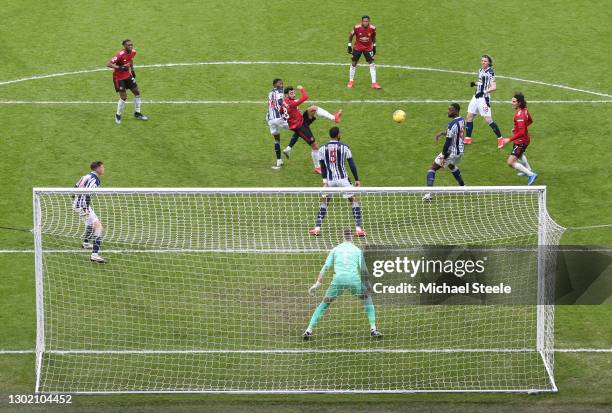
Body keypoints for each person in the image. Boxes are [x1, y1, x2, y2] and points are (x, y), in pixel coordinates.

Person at [303, 228, 382, 340]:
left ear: (343, 237)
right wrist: (369, 286)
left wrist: (318, 283)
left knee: (324, 303)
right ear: (352, 237)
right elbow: (364, 271)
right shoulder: (357, 250)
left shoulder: (335, 249)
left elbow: (325, 267)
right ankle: (373, 329)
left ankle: (308, 330)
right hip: (353, 281)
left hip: (338, 281)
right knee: (367, 298)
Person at [309, 127, 366, 236]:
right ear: (338, 135)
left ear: (330, 135)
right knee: (353, 200)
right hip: (343, 180)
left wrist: (325, 182)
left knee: (324, 201)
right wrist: (357, 179)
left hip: (330, 181)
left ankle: (317, 228)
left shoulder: (322, 149)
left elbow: (322, 167)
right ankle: (358, 229)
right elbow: (351, 164)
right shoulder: (345, 147)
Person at [281, 86, 342, 174]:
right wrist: (301, 89)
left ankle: (334, 118)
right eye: (291, 93)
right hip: (300, 127)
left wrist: (288, 116)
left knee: (313, 108)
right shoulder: (291, 104)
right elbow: (305, 97)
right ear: (286, 95)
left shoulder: (284, 101)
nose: (294, 94)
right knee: (314, 146)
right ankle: (317, 167)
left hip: (300, 120)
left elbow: (280, 111)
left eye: (294, 92)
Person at [424, 103, 466, 200]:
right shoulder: (462, 120)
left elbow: (448, 143)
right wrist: (443, 133)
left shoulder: (451, 124)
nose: (448, 111)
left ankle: (428, 194)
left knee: (432, 168)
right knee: (451, 165)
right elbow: (456, 133)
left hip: (451, 152)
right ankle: (463, 187)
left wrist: (443, 155)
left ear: (456, 111)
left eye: (450, 110)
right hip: (460, 152)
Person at [499, 92, 538, 185]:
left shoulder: (520, 115)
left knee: (510, 162)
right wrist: (518, 128)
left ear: (519, 103)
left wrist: (509, 139)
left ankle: (531, 174)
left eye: (514, 101)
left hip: (521, 141)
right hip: (523, 140)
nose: (511, 103)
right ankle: (528, 169)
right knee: (520, 155)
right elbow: (530, 121)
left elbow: (522, 132)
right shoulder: (524, 110)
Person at [107, 39, 148, 124]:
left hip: (128, 76)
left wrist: (132, 70)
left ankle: (137, 113)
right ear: (124, 46)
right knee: (124, 97)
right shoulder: (120, 55)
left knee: (137, 92)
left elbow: (130, 60)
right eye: (128, 45)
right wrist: (120, 68)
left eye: (131, 45)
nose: (131, 46)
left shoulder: (133, 52)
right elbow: (109, 64)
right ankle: (118, 115)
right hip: (119, 78)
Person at [464, 55, 502, 145]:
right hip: (476, 96)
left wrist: (484, 91)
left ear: (489, 62)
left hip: (484, 98)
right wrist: (475, 84)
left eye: (485, 61)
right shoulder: (480, 70)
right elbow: (482, 82)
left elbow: (494, 87)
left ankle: (500, 139)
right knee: (469, 116)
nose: (483, 62)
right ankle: (467, 138)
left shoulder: (491, 72)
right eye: (482, 60)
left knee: (488, 120)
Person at [72, 161, 106, 263]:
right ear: (98, 169)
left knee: (91, 224)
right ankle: (94, 255)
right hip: (83, 206)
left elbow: (75, 187)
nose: (103, 169)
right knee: (99, 227)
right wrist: (85, 208)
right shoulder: (95, 180)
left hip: (77, 204)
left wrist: (75, 202)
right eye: (102, 167)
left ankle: (85, 244)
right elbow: (88, 194)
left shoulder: (85, 176)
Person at [347, 15, 381, 89]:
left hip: (368, 48)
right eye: (364, 21)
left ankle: (374, 83)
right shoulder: (356, 27)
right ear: (362, 21)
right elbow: (350, 35)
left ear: (369, 22)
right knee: (354, 63)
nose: (365, 22)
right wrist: (349, 46)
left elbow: (373, 37)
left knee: (372, 63)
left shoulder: (373, 28)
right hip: (357, 47)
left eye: (367, 21)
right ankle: (351, 81)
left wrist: (374, 46)